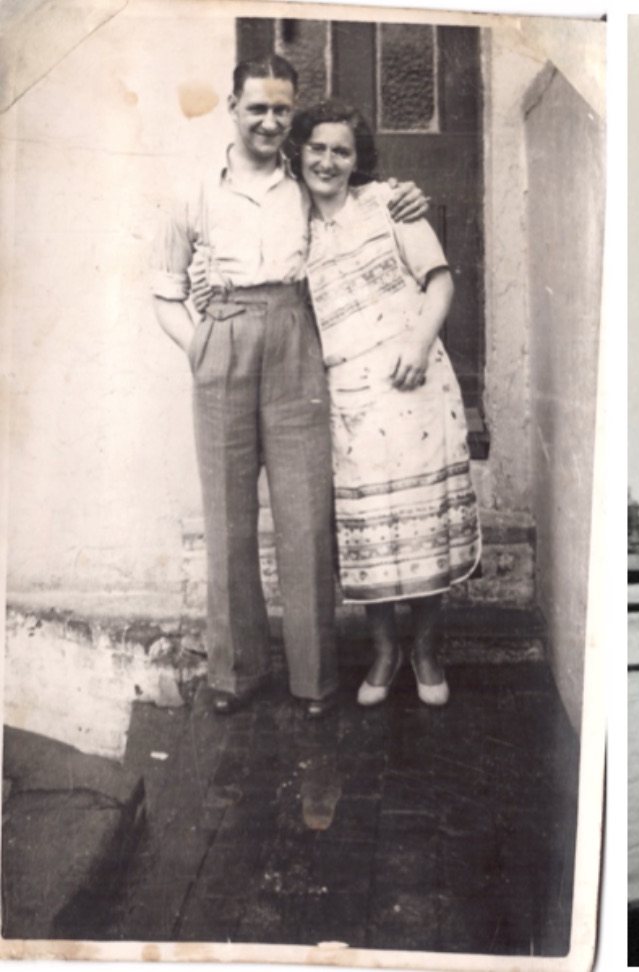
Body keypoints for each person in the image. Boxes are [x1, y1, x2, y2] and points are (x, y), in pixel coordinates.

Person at [151, 55, 427, 720]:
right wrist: (205, 348)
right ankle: (236, 675)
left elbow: (363, 196)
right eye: (257, 108)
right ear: (232, 107)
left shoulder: (307, 183)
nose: (269, 121)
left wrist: (405, 195)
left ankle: (314, 681)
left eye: (281, 109)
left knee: (306, 516)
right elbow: (163, 293)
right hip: (223, 343)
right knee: (228, 519)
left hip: (297, 342)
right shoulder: (194, 193)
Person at [289, 100, 481, 707]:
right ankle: (385, 651)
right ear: (299, 152)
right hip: (350, 398)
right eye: (317, 147)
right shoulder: (292, 227)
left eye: (341, 150)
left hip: (415, 383)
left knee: (424, 525)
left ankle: (425, 650)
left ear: (357, 160)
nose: (327, 160)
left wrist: (420, 344)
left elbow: (440, 281)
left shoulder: (389, 204)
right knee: (367, 531)